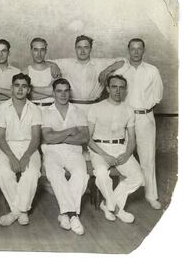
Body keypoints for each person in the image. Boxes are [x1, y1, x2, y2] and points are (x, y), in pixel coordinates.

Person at [88, 75, 145, 223]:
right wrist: (105, 155)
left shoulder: (129, 110)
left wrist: (127, 153)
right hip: (99, 149)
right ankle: (117, 209)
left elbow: (132, 139)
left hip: (120, 148)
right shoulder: (95, 108)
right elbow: (87, 138)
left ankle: (107, 204)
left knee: (138, 178)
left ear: (125, 90)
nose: (117, 91)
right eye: (114, 87)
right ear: (107, 88)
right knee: (101, 173)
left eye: (121, 87)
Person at [114, 38, 163, 210]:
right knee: (123, 156)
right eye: (133, 49)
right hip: (125, 118)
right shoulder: (122, 70)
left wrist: (143, 111)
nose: (136, 52)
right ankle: (120, 197)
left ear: (143, 50)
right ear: (128, 50)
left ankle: (151, 195)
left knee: (147, 157)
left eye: (139, 49)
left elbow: (157, 97)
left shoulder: (152, 71)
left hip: (145, 118)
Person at [41, 78, 89, 235]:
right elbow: (47, 138)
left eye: (66, 90)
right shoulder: (46, 112)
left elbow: (84, 137)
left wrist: (58, 136)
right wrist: (69, 131)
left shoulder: (77, 111)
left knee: (81, 174)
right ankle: (73, 215)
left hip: (74, 150)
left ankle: (65, 214)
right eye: (59, 91)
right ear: (53, 93)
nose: (63, 94)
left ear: (69, 92)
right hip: (52, 151)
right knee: (55, 174)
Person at [0, 73, 42, 226]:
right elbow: (0, 137)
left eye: (24, 86)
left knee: (32, 172)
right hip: (7, 146)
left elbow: (36, 137)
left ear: (28, 90)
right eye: (17, 85)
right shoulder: (2, 108)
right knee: (3, 172)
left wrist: (26, 156)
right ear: (12, 88)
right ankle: (21, 211)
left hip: (30, 146)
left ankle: (16, 211)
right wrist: (13, 158)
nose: (20, 89)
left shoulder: (35, 109)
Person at [52, 35, 126, 114]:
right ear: (75, 49)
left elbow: (123, 61)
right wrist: (53, 65)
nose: (82, 51)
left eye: (86, 47)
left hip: (94, 107)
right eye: (79, 47)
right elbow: (45, 62)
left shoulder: (100, 63)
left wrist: (107, 70)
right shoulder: (66, 63)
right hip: (71, 107)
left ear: (90, 49)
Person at [23, 37, 59, 107]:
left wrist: (31, 89)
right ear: (31, 51)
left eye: (42, 50)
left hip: (51, 108)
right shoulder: (25, 72)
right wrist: (50, 92)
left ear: (46, 51)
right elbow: (25, 95)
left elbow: (58, 91)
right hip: (32, 109)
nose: (39, 54)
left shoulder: (53, 69)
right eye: (36, 50)